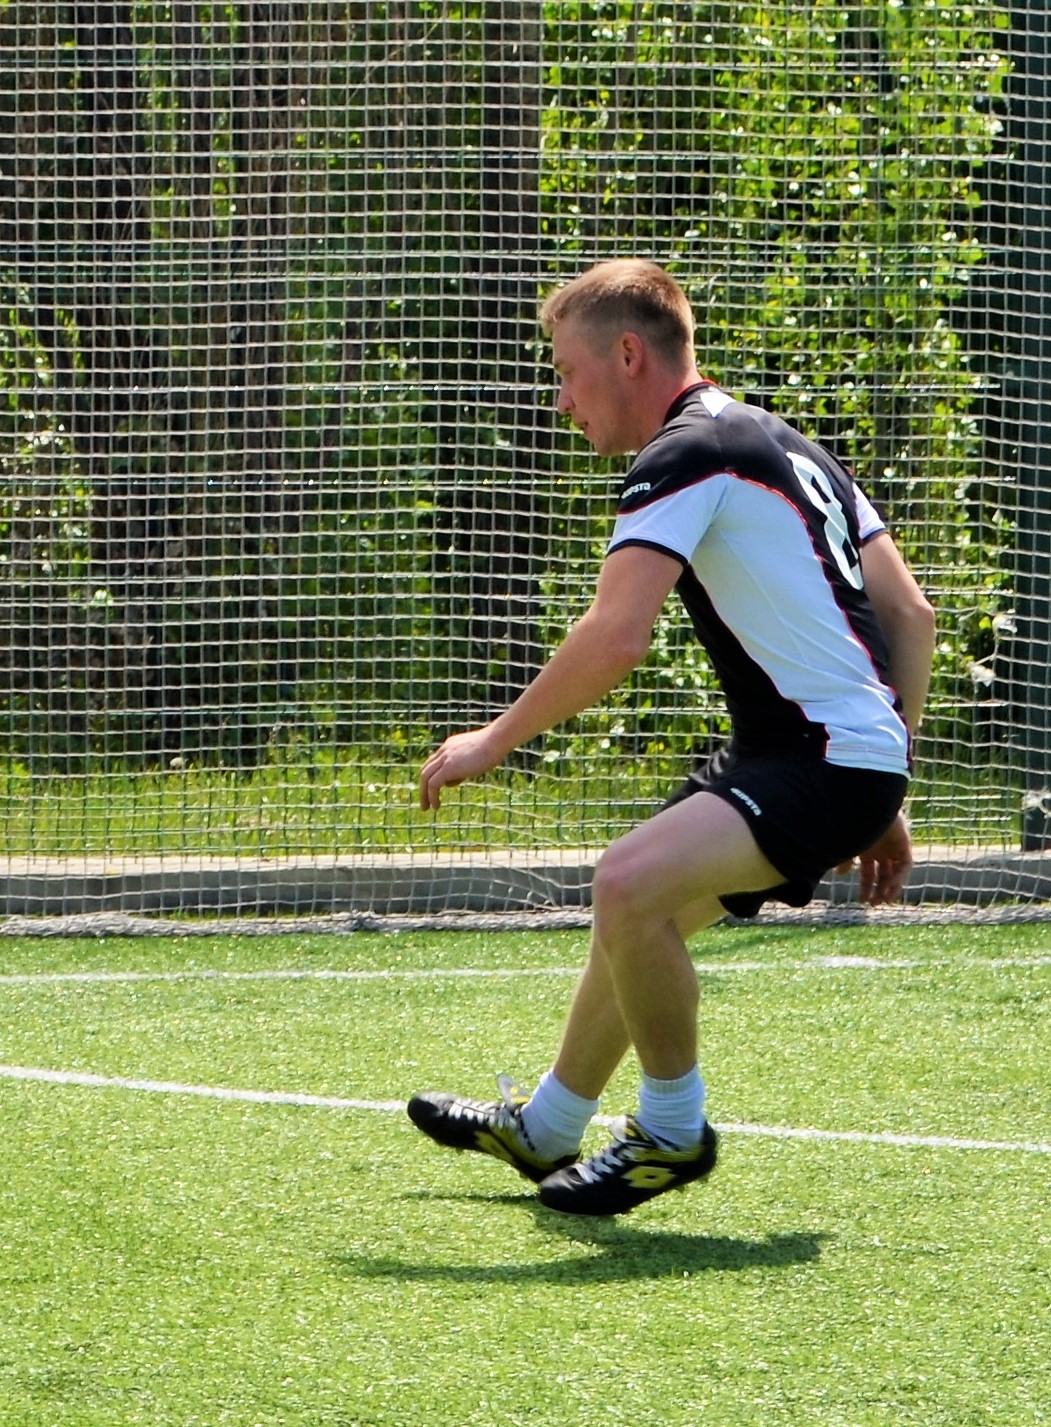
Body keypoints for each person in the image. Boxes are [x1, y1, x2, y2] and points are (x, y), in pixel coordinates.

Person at [407, 260, 935, 1215]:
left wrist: (495, 737)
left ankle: (671, 1130)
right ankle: (551, 1128)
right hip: (821, 754)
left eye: (566, 371)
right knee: (632, 917)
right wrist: (890, 782)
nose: (561, 398)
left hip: (820, 755)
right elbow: (913, 614)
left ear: (627, 352)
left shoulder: (686, 452)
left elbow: (617, 634)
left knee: (626, 883)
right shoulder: (789, 444)